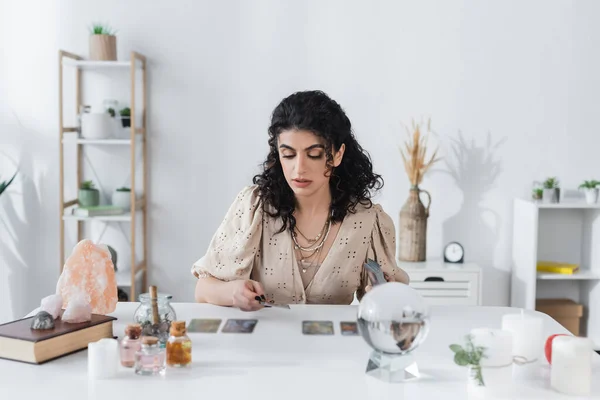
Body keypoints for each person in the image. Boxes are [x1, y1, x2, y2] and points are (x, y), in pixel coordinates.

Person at [192, 90, 409, 311]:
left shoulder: (368, 221)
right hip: (262, 343)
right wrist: (232, 293)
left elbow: (390, 299)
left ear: (337, 155)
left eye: (313, 154)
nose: (299, 168)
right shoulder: (254, 207)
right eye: (288, 154)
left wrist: (383, 295)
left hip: (334, 345)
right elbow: (202, 289)